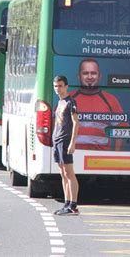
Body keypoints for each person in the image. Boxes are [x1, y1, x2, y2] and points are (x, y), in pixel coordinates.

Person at [69, 58, 127, 151]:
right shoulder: (68, 100)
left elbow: (121, 131)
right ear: (79, 76)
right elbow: (56, 128)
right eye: (85, 73)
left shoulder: (110, 100)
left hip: (101, 158)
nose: (89, 77)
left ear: (99, 76)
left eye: (93, 73)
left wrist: (116, 157)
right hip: (71, 157)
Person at [52, 75, 80, 216]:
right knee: (63, 173)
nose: (58, 89)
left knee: (69, 173)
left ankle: (73, 205)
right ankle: (67, 203)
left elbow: (76, 122)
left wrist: (72, 142)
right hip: (57, 141)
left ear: (66, 86)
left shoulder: (70, 102)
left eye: (61, 86)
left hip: (65, 141)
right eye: (56, 86)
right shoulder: (59, 103)